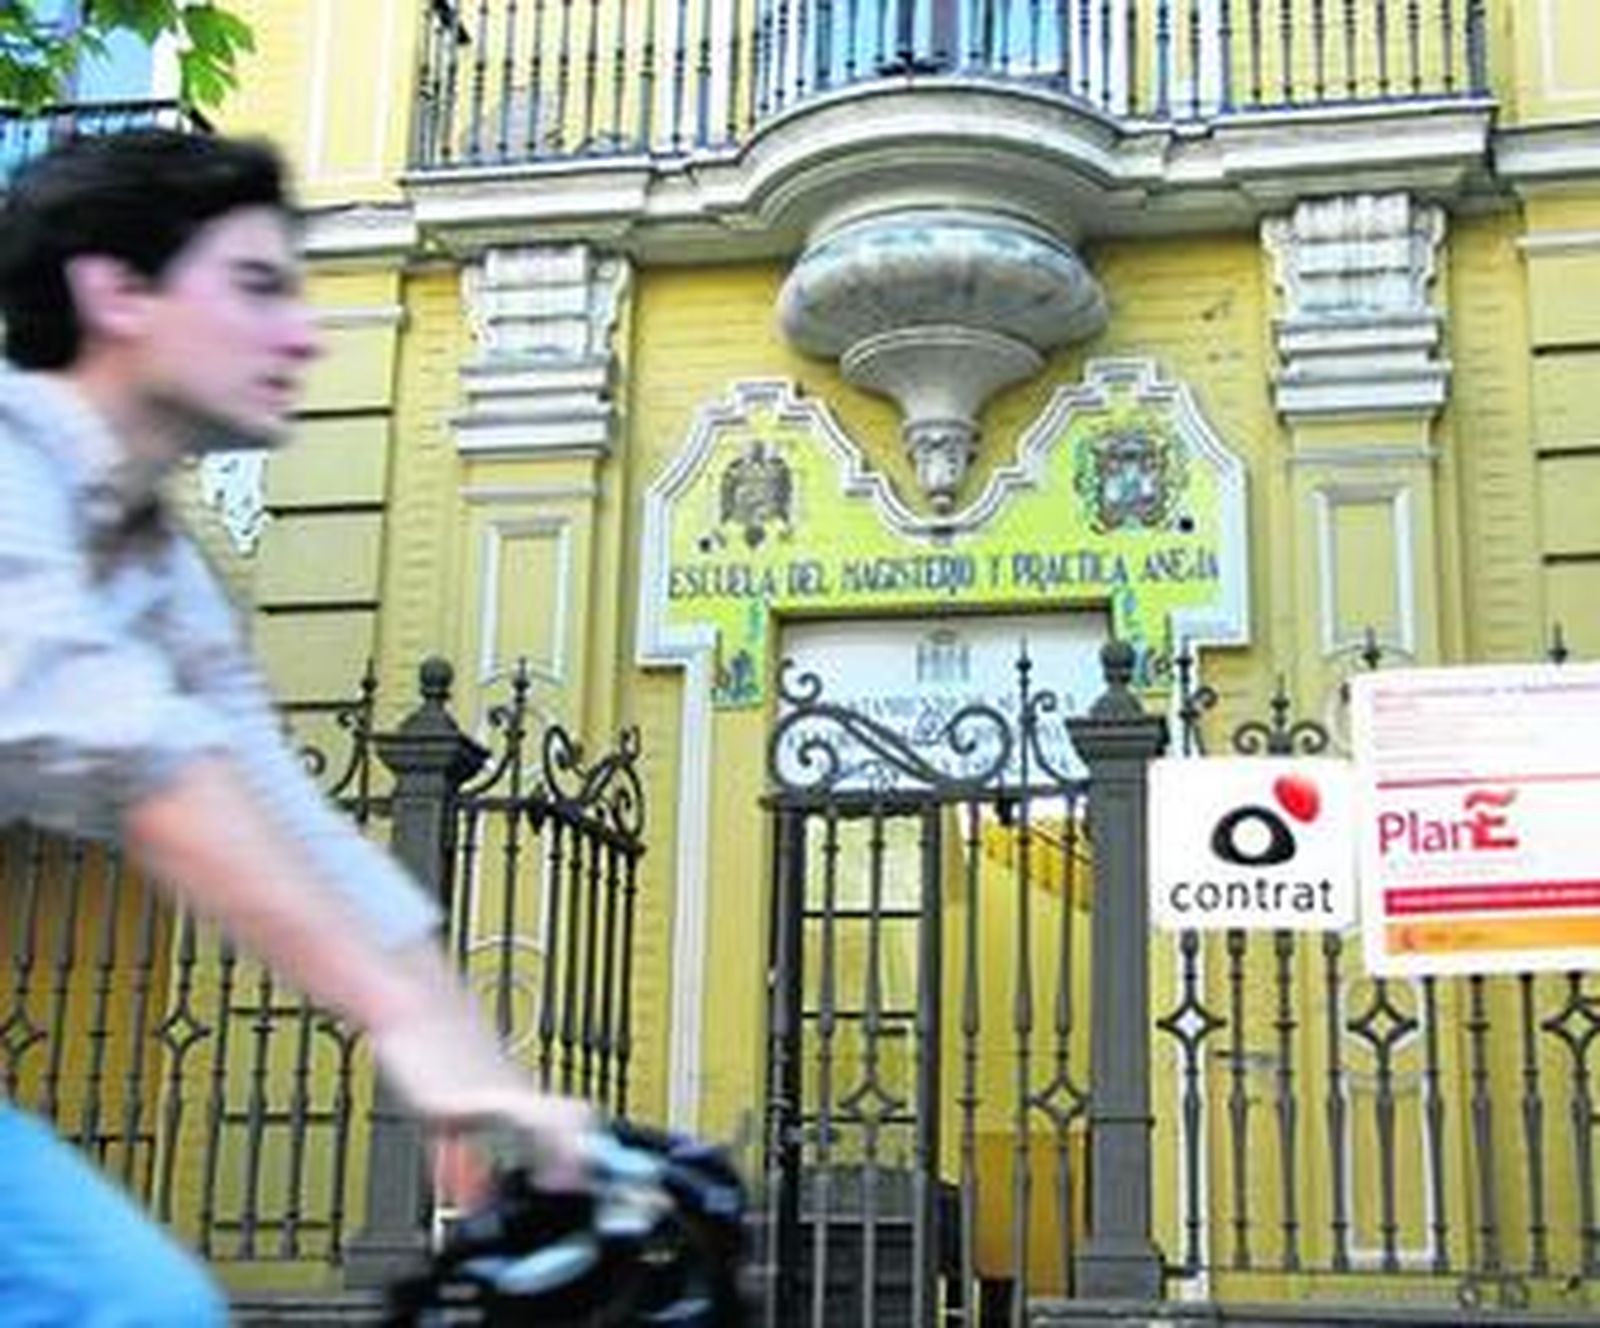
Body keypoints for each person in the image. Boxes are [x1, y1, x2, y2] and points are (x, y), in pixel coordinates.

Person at [0, 129, 591, 1325]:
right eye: (258, 284)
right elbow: (135, 754)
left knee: (141, 1306)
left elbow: (285, 814)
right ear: (116, 290)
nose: (306, 333)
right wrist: (398, 1018)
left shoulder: (156, 570)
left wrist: (472, 1063)